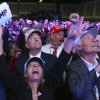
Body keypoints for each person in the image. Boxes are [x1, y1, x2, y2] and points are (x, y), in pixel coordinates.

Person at [0, 24, 77, 100]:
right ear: (25, 73)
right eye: (32, 38)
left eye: (38, 37)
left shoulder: (52, 63)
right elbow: (4, 70)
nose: (37, 39)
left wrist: (70, 39)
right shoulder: (19, 63)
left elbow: (62, 63)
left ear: (43, 74)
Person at [66, 27, 100, 100]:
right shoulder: (73, 67)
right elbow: (77, 92)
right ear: (79, 47)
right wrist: (96, 70)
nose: (94, 40)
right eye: (88, 38)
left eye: (94, 38)